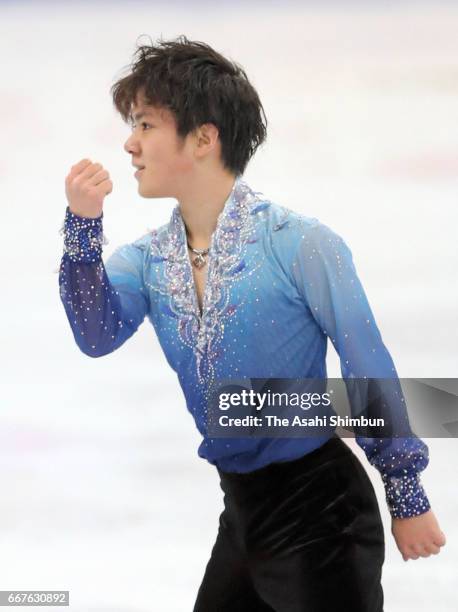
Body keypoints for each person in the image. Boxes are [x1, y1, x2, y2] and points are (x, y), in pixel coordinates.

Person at [58, 35, 446, 611]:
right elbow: (96, 334)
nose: (129, 143)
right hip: (242, 514)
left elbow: (368, 368)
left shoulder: (301, 246)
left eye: (145, 125)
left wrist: (406, 493)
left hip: (324, 515)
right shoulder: (147, 261)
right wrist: (82, 232)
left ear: (204, 138)